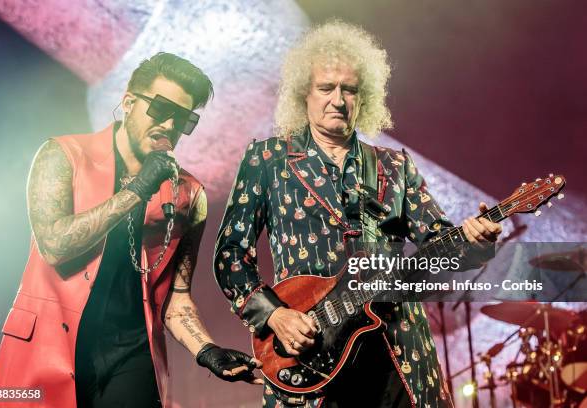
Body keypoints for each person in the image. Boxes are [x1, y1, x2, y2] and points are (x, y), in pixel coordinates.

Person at [213, 22, 502, 407]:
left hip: (396, 349)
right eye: (326, 88)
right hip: (311, 354)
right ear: (305, 95)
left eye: (349, 90)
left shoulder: (394, 166)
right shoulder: (268, 159)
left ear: (363, 98)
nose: (338, 99)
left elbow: (438, 244)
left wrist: (476, 244)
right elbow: (231, 253)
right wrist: (275, 316)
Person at [0, 52, 262, 408]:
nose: (169, 125)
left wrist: (207, 351)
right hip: (44, 350)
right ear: (129, 102)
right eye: (161, 110)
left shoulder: (190, 196)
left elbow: (176, 298)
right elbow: (54, 245)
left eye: (183, 118)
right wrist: (136, 191)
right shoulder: (62, 155)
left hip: (131, 355)